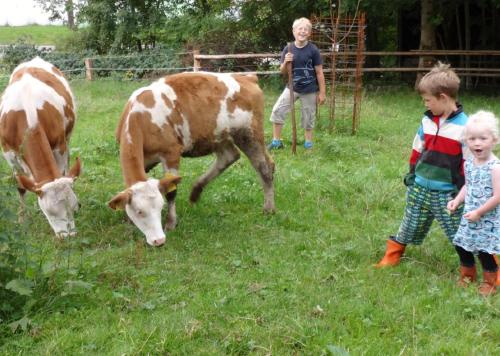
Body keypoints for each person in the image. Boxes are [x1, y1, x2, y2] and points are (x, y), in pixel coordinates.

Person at [375, 62, 469, 268]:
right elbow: (418, 148)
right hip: (419, 186)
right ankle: (393, 254)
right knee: (409, 223)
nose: (425, 104)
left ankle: (486, 267)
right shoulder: (427, 121)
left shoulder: (465, 128)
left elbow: (469, 164)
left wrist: (462, 189)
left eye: (427, 100)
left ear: (443, 97)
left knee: (460, 232)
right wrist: (412, 174)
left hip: (447, 193)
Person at [447, 111, 500, 296]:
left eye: (483, 138)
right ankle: (468, 275)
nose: (477, 143)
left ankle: (490, 282)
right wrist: (457, 200)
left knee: (484, 251)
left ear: (494, 140)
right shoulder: (469, 163)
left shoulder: (495, 167)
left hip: (487, 218)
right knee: (462, 245)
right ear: (466, 141)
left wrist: (479, 212)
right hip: (470, 215)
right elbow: (467, 186)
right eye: (472, 139)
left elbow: (498, 196)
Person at [267, 17, 326, 150]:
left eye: (306, 29)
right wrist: (286, 62)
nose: (303, 31)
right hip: (292, 87)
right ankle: (277, 142)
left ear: (309, 33)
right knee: (278, 110)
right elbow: (282, 71)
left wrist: (322, 93)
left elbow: (319, 73)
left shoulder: (313, 50)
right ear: (294, 31)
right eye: (300, 28)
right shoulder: (288, 49)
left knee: (308, 116)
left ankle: (308, 144)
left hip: (310, 90)